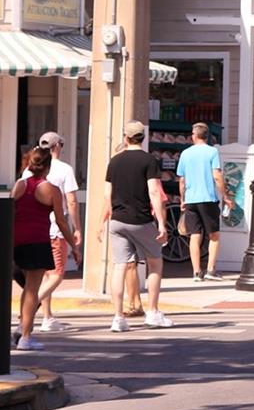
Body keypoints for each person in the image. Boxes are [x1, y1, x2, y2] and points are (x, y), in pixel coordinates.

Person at [98, 119, 172, 332]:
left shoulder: (114, 161)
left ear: (125, 137)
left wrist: (104, 221)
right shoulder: (148, 161)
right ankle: (153, 312)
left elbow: (106, 194)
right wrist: (161, 224)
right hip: (140, 219)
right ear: (143, 137)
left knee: (119, 266)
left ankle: (118, 317)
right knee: (155, 262)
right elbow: (154, 192)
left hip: (117, 221)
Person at [11, 147, 75, 351]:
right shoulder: (51, 190)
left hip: (17, 241)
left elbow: (11, 213)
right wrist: (74, 245)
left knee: (27, 289)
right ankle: (26, 336)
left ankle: (23, 327)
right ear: (48, 166)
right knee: (32, 289)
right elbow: (62, 222)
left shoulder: (19, 185)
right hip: (38, 241)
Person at [34, 132, 80, 332]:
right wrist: (77, 227)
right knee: (57, 274)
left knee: (46, 275)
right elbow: (71, 201)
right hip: (55, 229)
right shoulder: (64, 169)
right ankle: (31, 304)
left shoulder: (31, 169)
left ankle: (47, 316)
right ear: (58, 146)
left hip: (38, 228)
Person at [177, 123, 231, 281]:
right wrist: (225, 196)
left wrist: (182, 199)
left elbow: (182, 180)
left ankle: (195, 272)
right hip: (208, 198)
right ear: (207, 136)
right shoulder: (212, 151)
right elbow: (217, 176)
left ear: (194, 136)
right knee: (214, 235)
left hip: (191, 199)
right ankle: (210, 270)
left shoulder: (185, 153)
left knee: (195, 235)